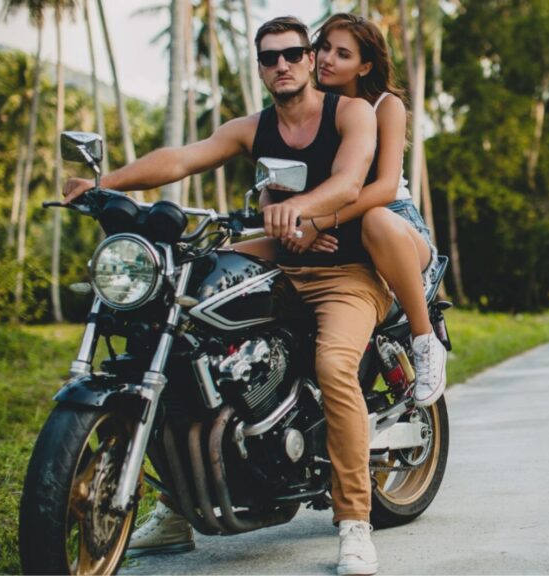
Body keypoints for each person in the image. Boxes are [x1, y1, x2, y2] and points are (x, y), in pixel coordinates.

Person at [64, 16, 384, 575]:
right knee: (183, 338)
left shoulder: (349, 112)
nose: (280, 65)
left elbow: (351, 180)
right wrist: (103, 185)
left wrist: (299, 206)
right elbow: (182, 158)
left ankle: (354, 519)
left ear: (310, 59)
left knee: (334, 366)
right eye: (268, 58)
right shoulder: (253, 126)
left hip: (347, 272)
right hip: (280, 260)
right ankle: (178, 507)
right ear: (261, 69)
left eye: (291, 53)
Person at [242, 12, 447, 408]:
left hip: (390, 220)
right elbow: (280, 176)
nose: (326, 59)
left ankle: (425, 342)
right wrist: (286, 220)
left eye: (342, 53)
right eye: (322, 48)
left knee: (376, 219)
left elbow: (383, 187)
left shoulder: (384, 106)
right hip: (325, 223)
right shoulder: (312, 107)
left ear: (364, 65)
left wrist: (319, 220)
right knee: (232, 254)